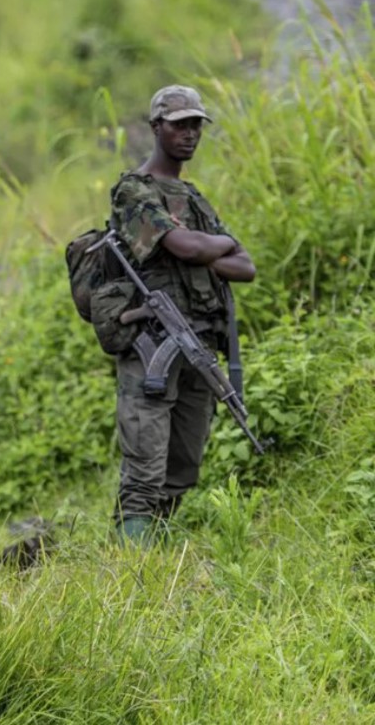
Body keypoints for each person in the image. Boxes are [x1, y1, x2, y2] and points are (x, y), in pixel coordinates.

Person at [109, 86, 256, 544]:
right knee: (145, 466)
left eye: (196, 125)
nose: (189, 134)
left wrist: (203, 252)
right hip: (152, 343)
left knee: (183, 464)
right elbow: (185, 246)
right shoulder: (133, 191)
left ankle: (158, 554)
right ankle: (128, 567)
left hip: (198, 344)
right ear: (156, 127)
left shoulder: (192, 198)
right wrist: (209, 248)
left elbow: (245, 266)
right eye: (179, 124)